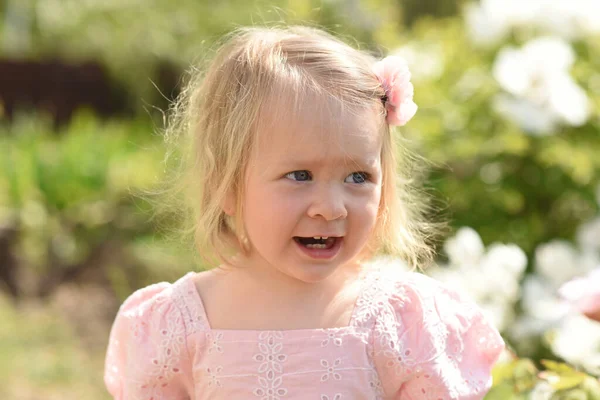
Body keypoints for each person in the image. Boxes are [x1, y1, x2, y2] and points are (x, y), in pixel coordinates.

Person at [104, 25, 504, 399]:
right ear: (226, 185)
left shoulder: (400, 320)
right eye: (299, 175)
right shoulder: (178, 323)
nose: (330, 208)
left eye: (358, 177)